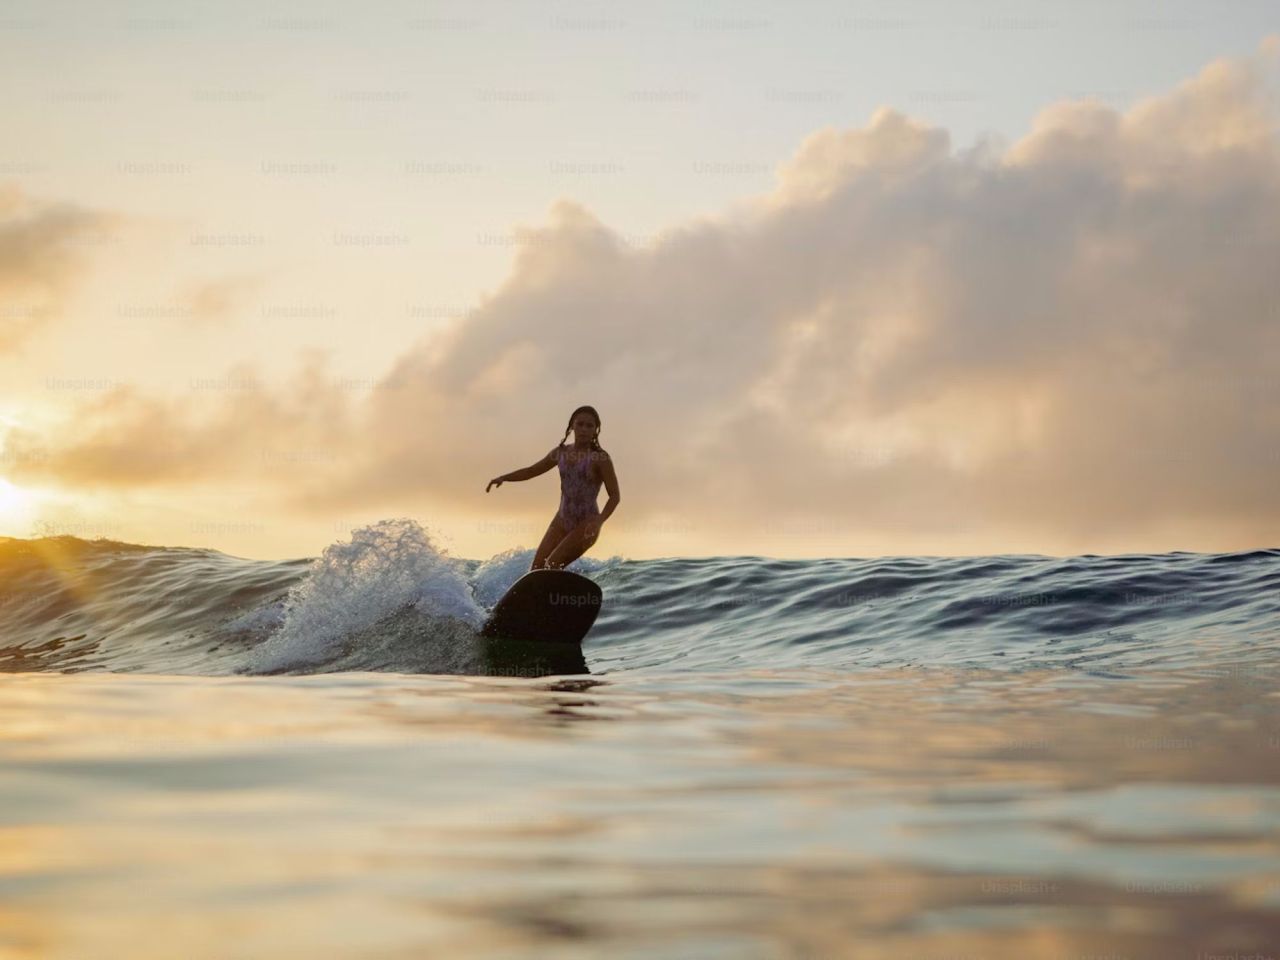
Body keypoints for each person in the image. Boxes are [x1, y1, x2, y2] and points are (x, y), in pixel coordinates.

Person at [486, 405, 620, 571]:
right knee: (536, 570)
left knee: (552, 565)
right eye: (580, 424)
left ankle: (563, 595)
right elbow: (531, 471)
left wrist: (599, 521)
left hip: (586, 525)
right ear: (572, 426)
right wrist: (504, 478)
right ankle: (539, 597)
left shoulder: (600, 458)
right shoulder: (560, 453)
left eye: (589, 425)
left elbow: (614, 496)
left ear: (595, 430)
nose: (584, 429)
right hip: (561, 520)